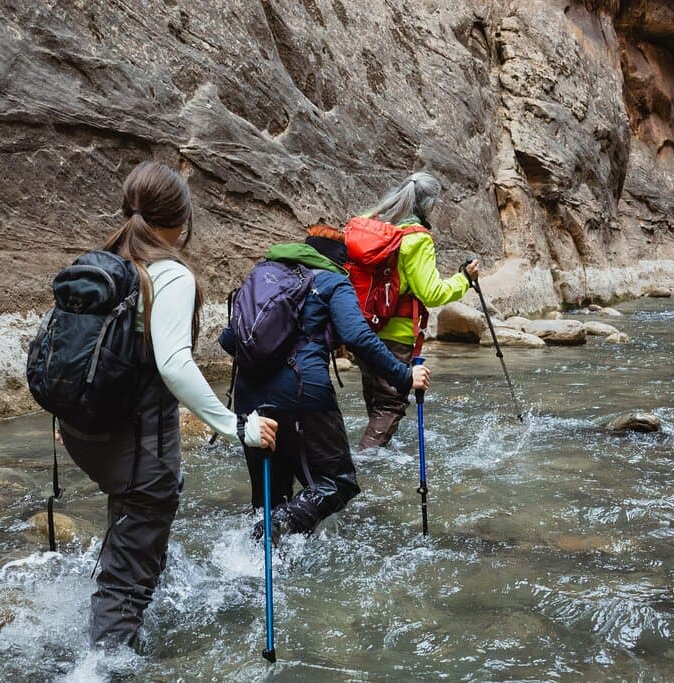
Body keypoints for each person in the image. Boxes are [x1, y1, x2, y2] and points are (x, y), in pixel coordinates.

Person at [57, 161, 278, 650]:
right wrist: (235, 425)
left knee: (133, 533)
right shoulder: (169, 276)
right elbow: (174, 364)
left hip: (86, 435)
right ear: (180, 221)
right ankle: (107, 663)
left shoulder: (104, 264)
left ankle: (130, 586)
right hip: (141, 449)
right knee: (126, 583)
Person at [218, 226, 430, 543]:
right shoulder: (332, 281)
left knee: (270, 496)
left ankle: (256, 555)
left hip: (249, 391)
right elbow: (358, 336)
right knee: (337, 483)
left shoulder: (268, 272)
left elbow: (229, 339)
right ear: (340, 261)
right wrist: (403, 375)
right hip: (302, 389)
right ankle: (274, 529)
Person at [350, 172, 479, 450]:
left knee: (375, 398)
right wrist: (465, 280)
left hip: (361, 328)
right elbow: (431, 293)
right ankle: (366, 461)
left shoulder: (369, 224)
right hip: (395, 335)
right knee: (391, 402)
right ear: (429, 204)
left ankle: (371, 448)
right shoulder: (416, 239)